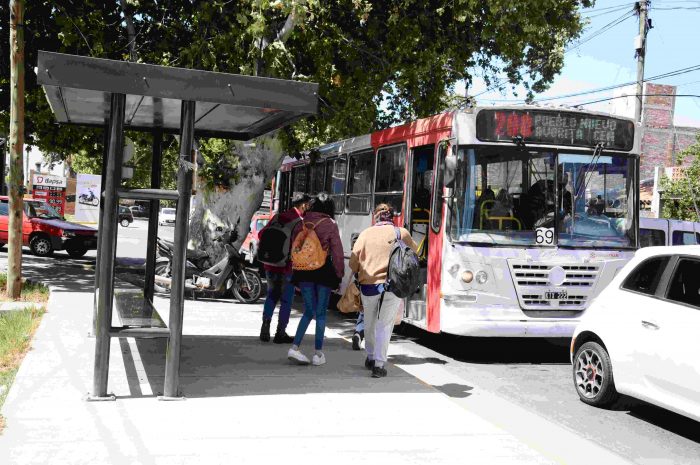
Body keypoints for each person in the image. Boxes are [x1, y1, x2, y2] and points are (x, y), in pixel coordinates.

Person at [349, 203, 418, 378]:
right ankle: (379, 365)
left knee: (370, 322)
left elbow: (353, 263)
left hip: (369, 285)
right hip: (393, 285)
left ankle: (371, 357)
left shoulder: (365, 234)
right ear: (392, 217)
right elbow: (414, 252)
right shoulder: (401, 233)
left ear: (376, 217)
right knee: (384, 325)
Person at [287, 192, 344, 366]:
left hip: (303, 272)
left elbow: (294, 248)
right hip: (323, 272)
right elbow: (337, 252)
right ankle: (318, 354)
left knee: (308, 311)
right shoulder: (330, 224)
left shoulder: (301, 223)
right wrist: (339, 274)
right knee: (320, 314)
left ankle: (295, 347)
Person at [259, 192, 310, 343]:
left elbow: (262, 233)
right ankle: (280, 333)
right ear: (303, 205)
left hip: (269, 264)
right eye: (308, 205)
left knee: (271, 296)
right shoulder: (299, 223)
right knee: (286, 301)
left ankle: (265, 325)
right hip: (286, 267)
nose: (308, 208)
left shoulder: (278, 217)